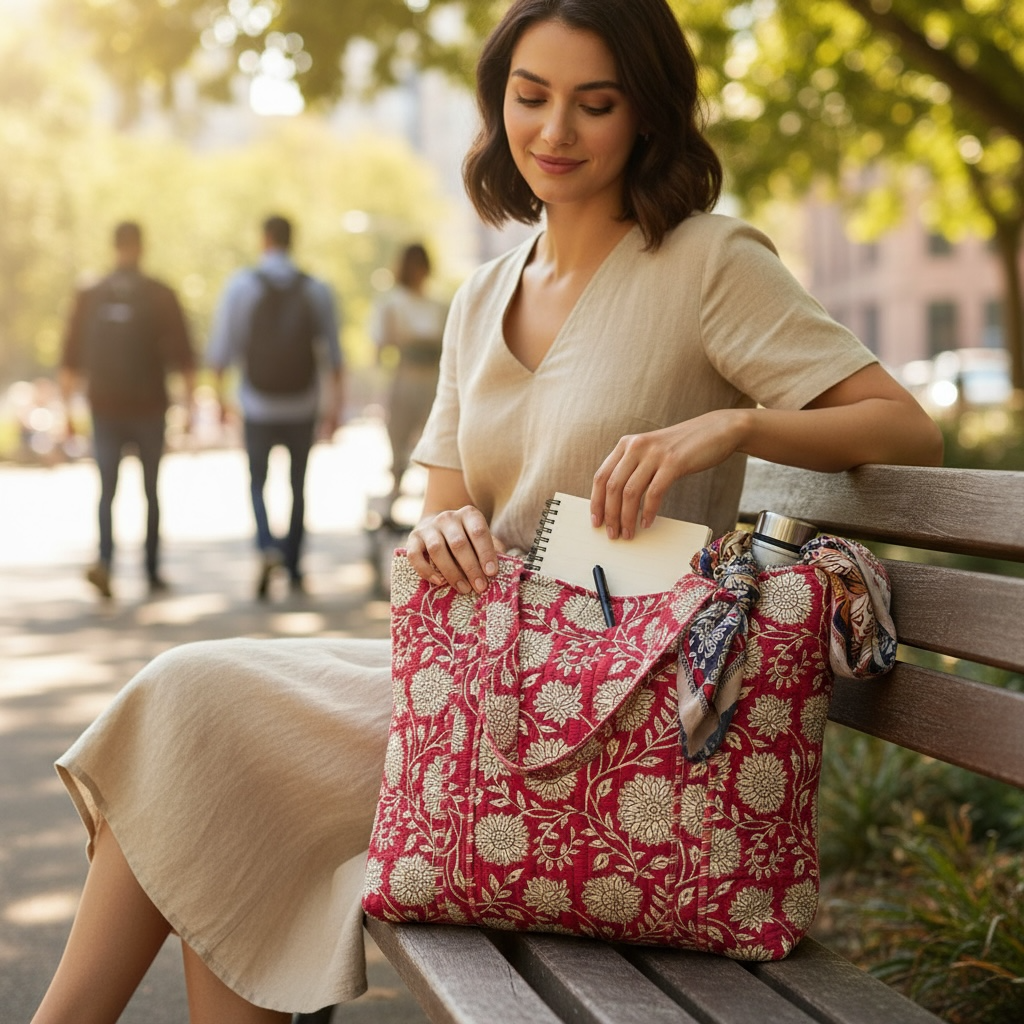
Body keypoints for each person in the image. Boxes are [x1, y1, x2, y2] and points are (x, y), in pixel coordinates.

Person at [31, 1, 943, 1020]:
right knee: (193, 716)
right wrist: (436, 530)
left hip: (610, 707)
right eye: (530, 97)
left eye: (592, 104)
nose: (554, 132)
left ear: (645, 114)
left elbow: (904, 429)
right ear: (497, 104)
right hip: (469, 679)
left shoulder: (707, 264)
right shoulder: (480, 295)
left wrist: (731, 425)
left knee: (200, 722)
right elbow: (441, 517)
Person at [59, 221, 197, 599]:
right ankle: (151, 570)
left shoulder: (91, 293)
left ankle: (105, 561)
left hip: (104, 406)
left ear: (114, 245)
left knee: (107, 490)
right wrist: (190, 407)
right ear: (142, 246)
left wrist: (66, 412)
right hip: (150, 406)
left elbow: (69, 357)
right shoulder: (160, 293)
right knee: (151, 490)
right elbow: (185, 355)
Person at [208, 214, 344, 599]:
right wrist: (335, 409)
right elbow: (334, 356)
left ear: (264, 239)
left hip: (257, 403)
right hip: (303, 404)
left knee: (258, 482)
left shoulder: (242, 286)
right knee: (298, 486)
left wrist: (219, 399)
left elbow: (222, 350)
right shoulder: (316, 289)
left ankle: (268, 546)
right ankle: (295, 566)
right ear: (292, 240)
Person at [371, 242, 449, 509]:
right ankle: (394, 493)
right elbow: (381, 346)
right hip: (405, 380)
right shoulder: (392, 303)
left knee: (437, 443)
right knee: (399, 442)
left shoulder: (438, 306)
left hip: (433, 383)